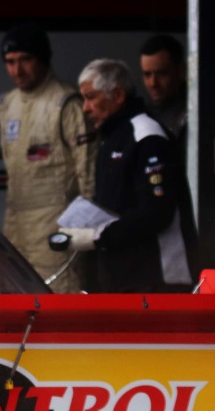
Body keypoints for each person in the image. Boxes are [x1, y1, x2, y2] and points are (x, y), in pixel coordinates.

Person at [58, 58, 194, 293]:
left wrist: (97, 237)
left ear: (118, 95)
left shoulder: (146, 135)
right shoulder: (112, 139)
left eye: (91, 97)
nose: (85, 108)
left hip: (160, 280)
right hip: (124, 278)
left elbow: (157, 212)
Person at [0, 23, 94, 294]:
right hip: (15, 221)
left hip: (57, 221)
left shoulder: (66, 103)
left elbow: (88, 170)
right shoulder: (7, 104)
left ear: (42, 59)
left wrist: (86, 228)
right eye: (10, 62)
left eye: (25, 60)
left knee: (59, 296)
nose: (17, 70)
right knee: (13, 294)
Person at [138, 34, 187, 140]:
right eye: (147, 74)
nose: (153, 83)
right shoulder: (141, 115)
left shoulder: (194, 115)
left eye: (162, 74)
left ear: (182, 71)